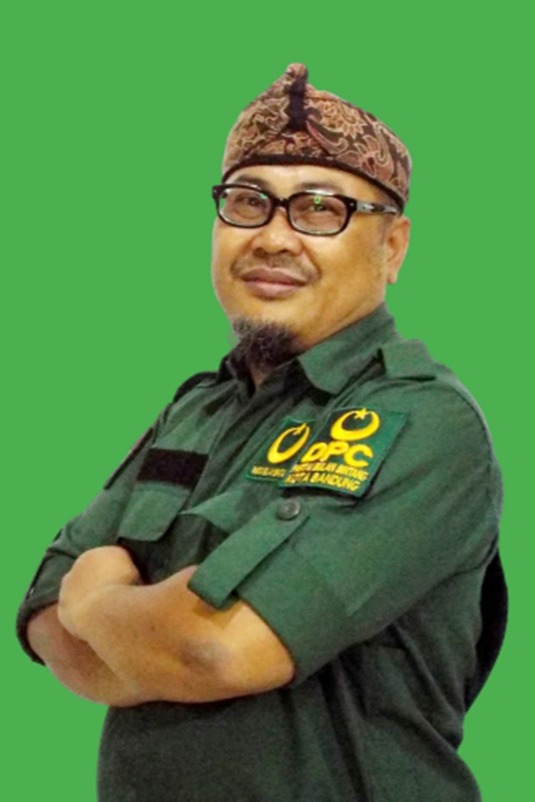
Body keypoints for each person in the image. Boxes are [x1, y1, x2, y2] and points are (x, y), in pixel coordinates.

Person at [17, 63, 507, 802]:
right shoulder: (197, 409)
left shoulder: (420, 421)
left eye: (320, 210)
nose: (275, 238)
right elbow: (44, 618)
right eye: (248, 202)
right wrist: (144, 635)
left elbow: (216, 651)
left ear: (392, 248)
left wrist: (98, 601)